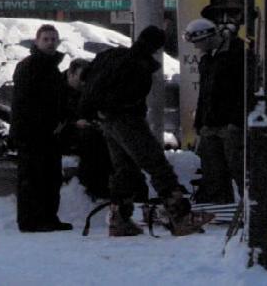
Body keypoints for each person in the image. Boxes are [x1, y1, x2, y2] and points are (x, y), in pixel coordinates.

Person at [80, 26, 210, 237]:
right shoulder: (139, 67)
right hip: (127, 121)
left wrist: (99, 111)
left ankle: (119, 218)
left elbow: (86, 75)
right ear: (157, 47)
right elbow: (130, 98)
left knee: (125, 168)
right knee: (156, 164)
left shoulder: (112, 55)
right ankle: (180, 217)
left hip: (107, 122)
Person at [9, 24, 73, 233]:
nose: (50, 42)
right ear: (37, 41)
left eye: (53, 39)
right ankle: (31, 220)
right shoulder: (30, 66)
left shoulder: (51, 67)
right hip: (33, 133)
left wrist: (61, 119)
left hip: (50, 132)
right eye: (46, 39)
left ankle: (48, 218)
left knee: (50, 177)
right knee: (33, 178)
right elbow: (25, 102)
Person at [188, 18, 246, 206]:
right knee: (213, 170)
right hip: (211, 123)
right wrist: (200, 123)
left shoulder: (237, 54)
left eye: (198, 43)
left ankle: (247, 206)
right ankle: (221, 207)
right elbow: (204, 93)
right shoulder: (208, 59)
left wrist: (236, 121)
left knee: (238, 167)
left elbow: (243, 90)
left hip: (229, 123)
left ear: (208, 37)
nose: (197, 48)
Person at [58, 57, 112, 200]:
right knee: (91, 140)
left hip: (85, 129)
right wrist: (74, 123)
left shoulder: (91, 89)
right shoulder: (56, 89)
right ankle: (94, 188)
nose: (84, 82)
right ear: (71, 74)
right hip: (62, 132)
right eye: (81, 78)